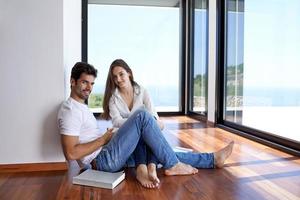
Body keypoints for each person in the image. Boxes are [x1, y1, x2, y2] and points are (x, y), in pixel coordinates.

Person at [57, 62, 234, 189]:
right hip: (102, 161)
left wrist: (107, 140)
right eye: (84, 82)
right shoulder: (70, 110)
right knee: (142, 116)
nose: (89, 88)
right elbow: (71, 153)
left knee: (156, 149)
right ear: (73, 82)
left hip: (106, 153)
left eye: (91, 83)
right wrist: (103, 139)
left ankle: (212, 159)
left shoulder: (80, 106)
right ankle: (170, 165)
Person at [101, 59, 163, 188]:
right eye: (115, 77)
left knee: (150, 126)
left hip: (146, 133)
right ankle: (144, 168)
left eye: (121, 74)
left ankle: (151, 166)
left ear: (129, 73)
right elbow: (116, 121)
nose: (118, 79)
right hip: (127, 137)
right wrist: (136, 123)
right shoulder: (113, 98)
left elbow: (154, 116)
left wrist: (146, 123)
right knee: (142, 128)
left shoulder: (143, 91)